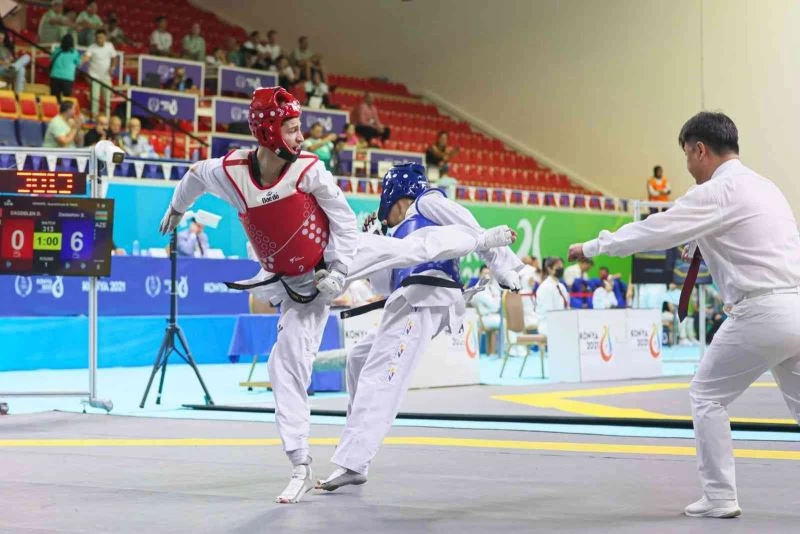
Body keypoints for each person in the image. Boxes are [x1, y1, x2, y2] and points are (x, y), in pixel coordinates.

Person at [158, 87, 517, 505]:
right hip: (296, 285)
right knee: (284, 364)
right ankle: (299, 461)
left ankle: (480, 239)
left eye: (298, 128)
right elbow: (195, 176)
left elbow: (345, 223)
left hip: (336, 254)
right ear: (269, 132)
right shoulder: (233, 171)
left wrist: (341, 270)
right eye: (292, 129)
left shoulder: (309, 169)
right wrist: (178, 208)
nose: (301, 137)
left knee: (408, 248)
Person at [568, 111, 800, 519]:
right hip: (795, 307)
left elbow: (652, 231)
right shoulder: (767, 188)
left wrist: (594, 246)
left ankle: (720, 497)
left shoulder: (714, 193)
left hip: (760, 311)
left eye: (687, 157)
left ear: (700, 149)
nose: (688, 167)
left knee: (706, 395)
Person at [316, 163, 521, 492]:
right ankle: (354, 442)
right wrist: (379, 238)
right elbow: (384, 281)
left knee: (381, 375)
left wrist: (503, 267)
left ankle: (353, 462)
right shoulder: (398, 232)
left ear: (397, 200)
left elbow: (471, 227)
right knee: (359, 360)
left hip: (426, 296)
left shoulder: (426, 202)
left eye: (388, 212)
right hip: (408, 299)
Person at [82, 29, 117, 117]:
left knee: (107, 98)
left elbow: (114, 58)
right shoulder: (92, 47)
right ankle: (94, 116)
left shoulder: (110, 46)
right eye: (98, 38)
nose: (99, 40)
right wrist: (79, 63)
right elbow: (86, 57)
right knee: (95, 98)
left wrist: (112, 67)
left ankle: (107, 116)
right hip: (94, 76)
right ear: (95, 38)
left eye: (101, 37)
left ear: (105, 38)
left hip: (106, 76)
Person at [534, 256, 569, 335]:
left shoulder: (562, 287)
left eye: (561, 266)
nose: (561, 268)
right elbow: (548, 312)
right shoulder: (545, 287)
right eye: (558, 266)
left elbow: (566, 307)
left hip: (561, 323)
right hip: (548, 325)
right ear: (549, 269)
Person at [49, 33, 81, 102]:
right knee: (67, 99)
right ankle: (64, 112)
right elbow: (78, 64)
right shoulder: (74, 53)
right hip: (67, 78)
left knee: (54, 99)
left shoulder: (57, 50)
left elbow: (51, 59)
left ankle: (55, 112)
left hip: (55, 76)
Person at [0, 27, 30, 94]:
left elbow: (11, 59)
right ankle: (18, 94)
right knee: (21, 69)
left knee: (27, 57)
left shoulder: (5, 49)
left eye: (2, 38)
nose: (1, 39)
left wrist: (13, 60)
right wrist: (5, 63)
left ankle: (14, 67)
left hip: (9, 67)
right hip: (1, 68)